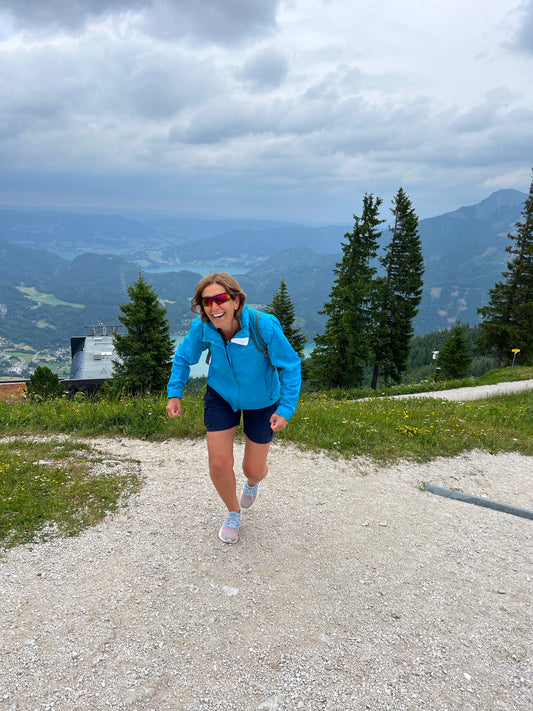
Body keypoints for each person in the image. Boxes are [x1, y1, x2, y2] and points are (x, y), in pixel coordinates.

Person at [166, 272, 302, 544]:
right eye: (207, 302)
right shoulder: (202, 326)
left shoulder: (264, 325)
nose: (214, 307)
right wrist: (174, 392)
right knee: (218, 463)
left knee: (253, 469)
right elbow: (183, 356)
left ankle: (253, 482)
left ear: (237, 301)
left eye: (221, 299)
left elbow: (291, 366)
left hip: (263, 401)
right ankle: (232, 511)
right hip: (221, 395)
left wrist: (285, 409)